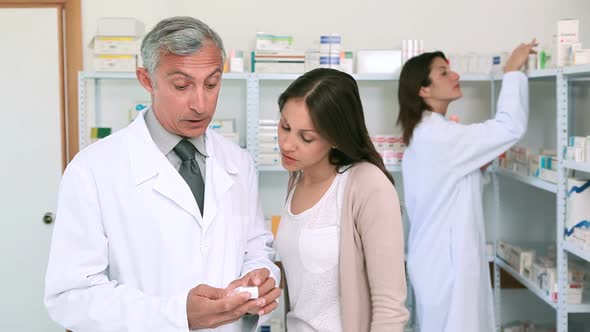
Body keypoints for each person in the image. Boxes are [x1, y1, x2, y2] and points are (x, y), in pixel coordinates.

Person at [44, 16, 281, 332]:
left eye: (212, 84)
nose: (201, 104)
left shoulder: (237, 162)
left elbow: (256, 248)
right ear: (146, 80)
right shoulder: (93, 170)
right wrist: (178, 315)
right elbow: (71, 296)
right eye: (182, 85)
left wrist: (261, 279)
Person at [397, 40, 537, 332]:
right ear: (423, 89)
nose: (455, 75)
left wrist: (477, 166)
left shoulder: (430, 133)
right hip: (448, 266)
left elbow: (451, 186)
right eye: (444, 72)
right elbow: (509, 127)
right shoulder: (439, 136)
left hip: (438, 261)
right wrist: (512, 71)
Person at [273, 68, 409, 332]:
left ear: (335, 137)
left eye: (306, 137)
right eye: (285, 127)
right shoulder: (297, 179)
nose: (288, 144)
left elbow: (390, 308)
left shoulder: (368, 186)